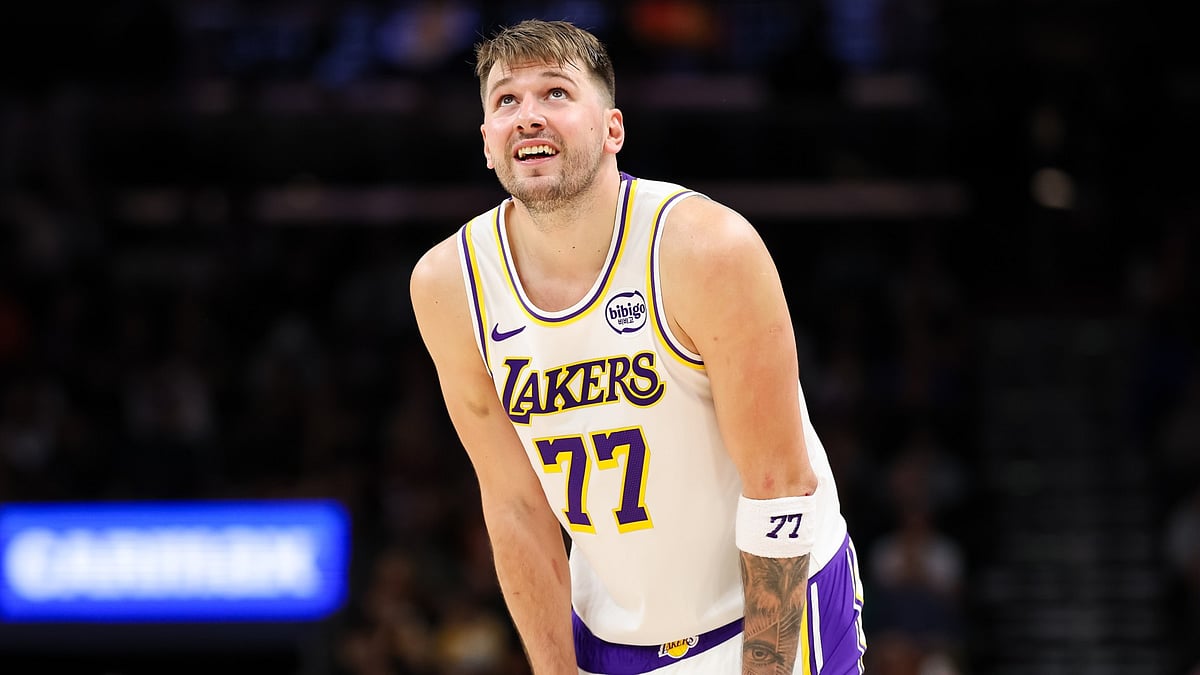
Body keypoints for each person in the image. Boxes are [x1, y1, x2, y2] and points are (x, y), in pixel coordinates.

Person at [409, 19, 865, 674]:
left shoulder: (707, 248)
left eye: (556, 93)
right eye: (506, 100)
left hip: (769, 608)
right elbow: (513, 503)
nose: (528, 115)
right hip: (614, 634)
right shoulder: (448, 286)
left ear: (613, 129)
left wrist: (767, 665)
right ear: (487, 142)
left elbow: (780, 482)